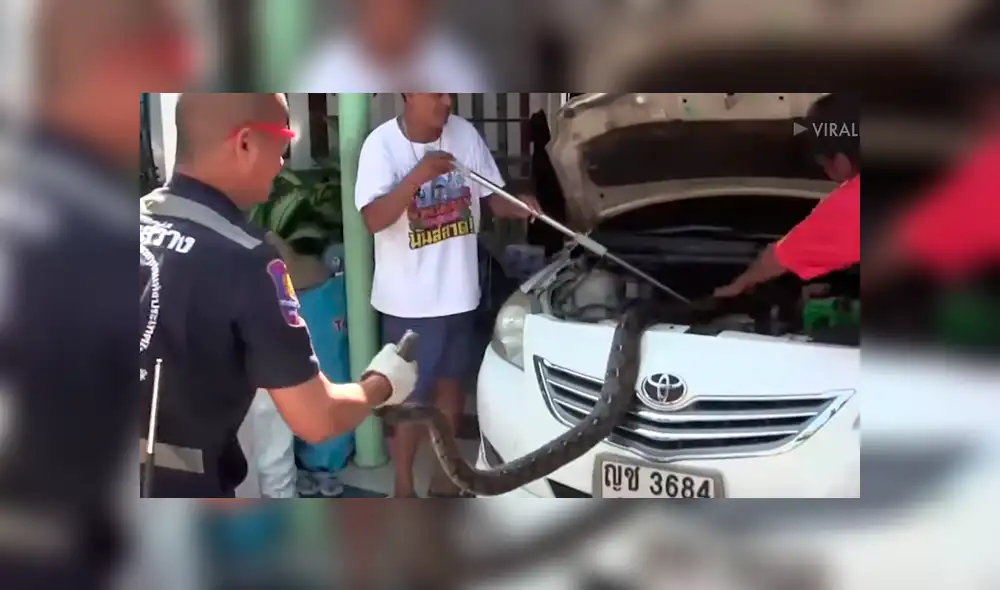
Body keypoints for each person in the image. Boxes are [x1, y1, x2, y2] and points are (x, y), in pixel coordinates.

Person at [139, 93, 419, 498]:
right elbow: (317, 418)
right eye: (284, 141)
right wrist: (383, 383)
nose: (285, 161)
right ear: (246, 143)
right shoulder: (244, 259)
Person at [355, 92, 542, 497]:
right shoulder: (381, 145)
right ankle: (402, 488)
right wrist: (416, 178)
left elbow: (490, 198)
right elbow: (373, 219)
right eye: (435, 93)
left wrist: (518, 206)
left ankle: (445, 479)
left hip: (459, 293)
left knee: (451, 386)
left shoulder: (465, 135)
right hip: (408, 301)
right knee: (407, 397)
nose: (446, 101)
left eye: (450, 93)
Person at [714, 93, 861, 298]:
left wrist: (737, 287)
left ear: (840, 161)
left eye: (823, 165)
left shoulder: (855, 204)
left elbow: (778, 258)